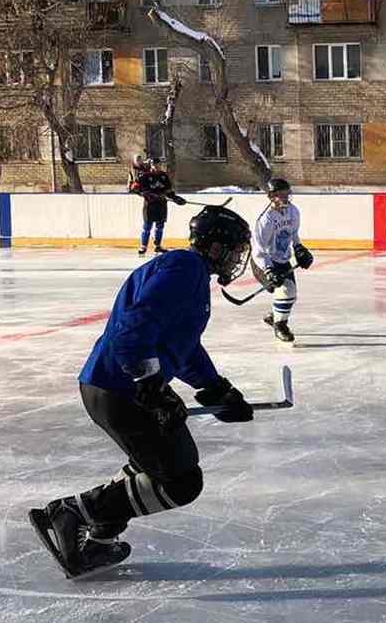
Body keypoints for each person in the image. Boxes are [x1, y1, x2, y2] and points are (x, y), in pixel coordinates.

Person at [28, 204, 256, 578]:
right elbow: (134, 329)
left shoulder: (190, 274)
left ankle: (99, 540)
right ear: (215, 247)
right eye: (233, 249)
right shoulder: (183, 269)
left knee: (157, 462)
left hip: (115, 387)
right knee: (181, 481)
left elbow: (182, 347)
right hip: (118, 389)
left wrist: (216, 390)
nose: (236, 259)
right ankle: (74, 513)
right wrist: (149, 383)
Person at [251, 177, 312, 345]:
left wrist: (299, 248)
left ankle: (274, 316)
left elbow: (293, 234)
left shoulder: (293, 211)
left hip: (282, 260)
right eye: (281, 195)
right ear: (271, 197)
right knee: (287, 291)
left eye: (287, 194)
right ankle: (280, 325)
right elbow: (258, 251)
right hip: (263, 262)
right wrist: (268, 270)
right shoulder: (266, 219)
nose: (285, 198)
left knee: (291, 295)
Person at [129, 153, 186, 255]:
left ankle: (158, 246)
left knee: (160, 226)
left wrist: (175, 198)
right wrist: (145, 194)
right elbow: (137, 189)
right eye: (154, 165)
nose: (156, 166)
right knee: (147, 226)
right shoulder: (144, 176)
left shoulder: (164, 176)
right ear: (150, 165)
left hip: (161, 204)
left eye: (158, 164)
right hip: (150, 205)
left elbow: (168, 190)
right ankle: (143, 246)